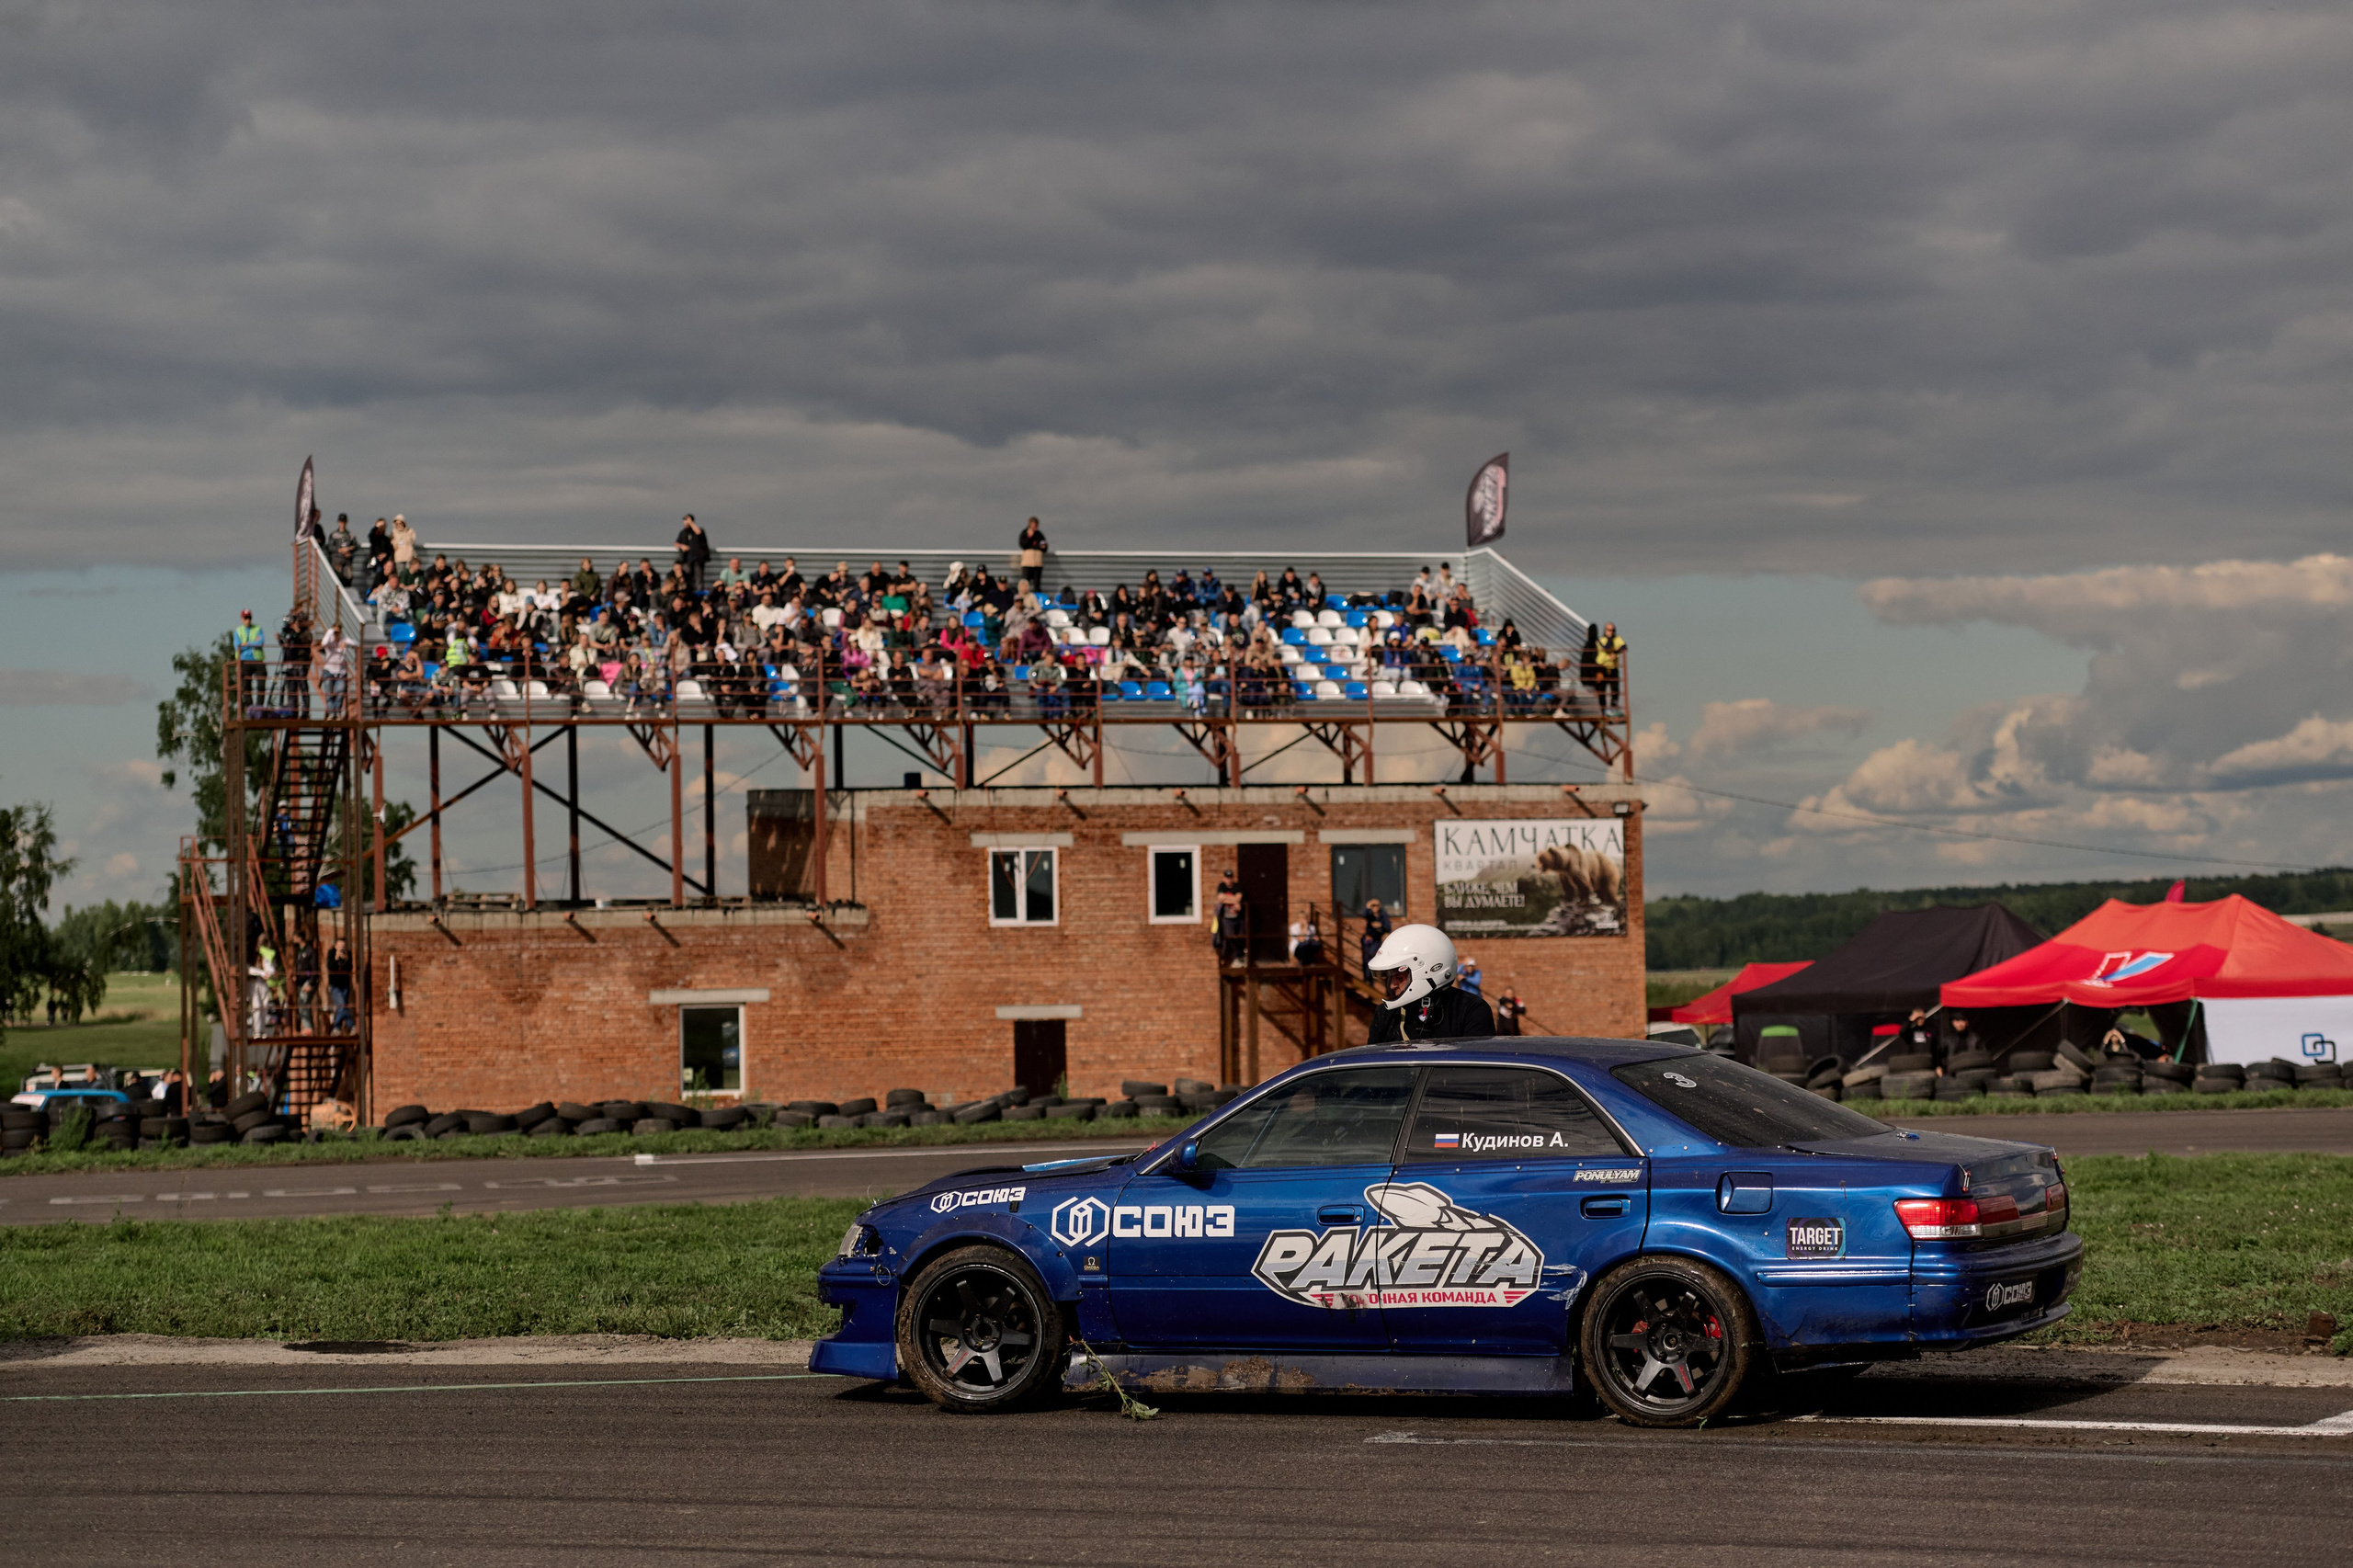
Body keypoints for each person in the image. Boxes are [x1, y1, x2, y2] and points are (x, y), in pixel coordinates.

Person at [1366, 924, 1495, 1042]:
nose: (1392, 985)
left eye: (1399, 977)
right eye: (1389, 977)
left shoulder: (1470, 1010)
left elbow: (1474, 1065)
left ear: (1430, 970)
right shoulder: (1385, 1015)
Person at [233, 608, 267, 712]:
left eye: (249, 617)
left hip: (257, 660)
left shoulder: (258, 628)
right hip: (244, 661)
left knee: (261, 684)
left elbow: (260, 642)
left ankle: (259, 707)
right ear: (241, 619)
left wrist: (247, 644)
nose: (248, 620)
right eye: (246, 618)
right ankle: (250, 707)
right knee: (246, 685)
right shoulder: (238, 631)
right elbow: (237, 646)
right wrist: (253, 644)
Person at [675, 514, 711, 593]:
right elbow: (676, 543)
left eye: (687, 520)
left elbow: (698, 532)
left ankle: (699, 594)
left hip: (698, 559)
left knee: (698, 578)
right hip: (686, 559)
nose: (686, 522)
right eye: (685, 520)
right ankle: (689, 592)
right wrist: (682, 546)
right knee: (687, 577)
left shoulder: (698, 530)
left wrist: (691, 523)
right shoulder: (683, 532)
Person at [1594, 621, 1625, 711]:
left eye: (1613, 630)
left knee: (1615, 689)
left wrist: (1615, 652)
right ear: (1605, 630)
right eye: (1609, 630)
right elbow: (1607, 647)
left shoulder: (1618, 639)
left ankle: (1613, 707)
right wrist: (1610, 639)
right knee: (1601, 690)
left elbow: (1624, 647)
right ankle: (1603, 709)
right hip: (1601, 667)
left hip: (1613, 668)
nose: (1611, 632)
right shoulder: (1601, 640)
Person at [1359, 897, 1392, 982]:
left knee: (1373, 958)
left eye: (1377, 905)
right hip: (1368, 939)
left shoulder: (1383, 915)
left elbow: (1388, 927)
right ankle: (1367, 979)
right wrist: (1368, 907)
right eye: (1373, 905)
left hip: (1377, 940)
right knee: (1366, 960)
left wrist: (1380, 926)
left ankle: (1373, 978)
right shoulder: (1369, 914)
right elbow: (1364, 915)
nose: (1375, 907)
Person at [1018, 517, 1048, 591]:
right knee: (1025, 582)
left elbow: (1044, 547)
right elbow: (1023, 544)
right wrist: (1029, 536)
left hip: (1037, 563)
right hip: (1027, 563)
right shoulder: (1024, 533)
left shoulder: (1039, 535)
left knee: (1037, 584)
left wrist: (1043, 547)